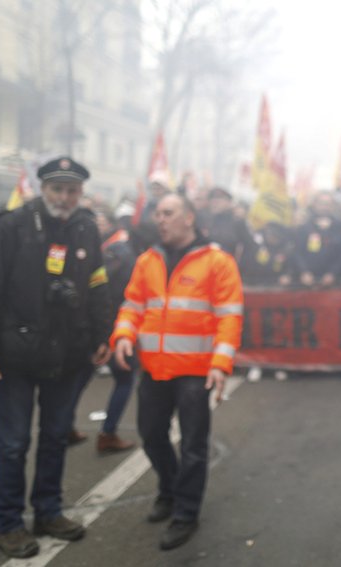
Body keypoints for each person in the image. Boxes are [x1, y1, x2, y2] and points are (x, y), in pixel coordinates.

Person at [0, 156, 113, 558]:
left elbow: (98, 281)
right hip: (15, 355)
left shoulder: (85, 226)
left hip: (68, 355)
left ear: (80, 193)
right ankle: (9, 524)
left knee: (54, 438)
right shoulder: (12, 226)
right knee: (14, 444)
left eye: (72, 190)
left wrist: (104, 332)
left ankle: (48, 511)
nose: (65, 197)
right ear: (41, 189)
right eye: (57, 189)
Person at [110, 193, 243, 551]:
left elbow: (230, 316)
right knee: (151, 434)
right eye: (158, 214)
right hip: (154, 368)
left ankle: (185, 512)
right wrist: (123, 334)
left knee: (193, 446)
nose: (160, 220)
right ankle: (169, 490)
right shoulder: (147, 260)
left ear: (189, 218)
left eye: (168, 213)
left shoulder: (217, 261)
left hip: (195, 371)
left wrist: (220, 363)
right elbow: (132, 305)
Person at [93, 207, 138, 453]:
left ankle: (108, 433)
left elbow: (105, 285)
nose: (96, 225)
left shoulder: (117, 248)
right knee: (81, 377)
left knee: (123, 377)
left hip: (114, 321)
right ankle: (105, 433)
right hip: (102, 322)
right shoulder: (104, 245)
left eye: (100, 221)